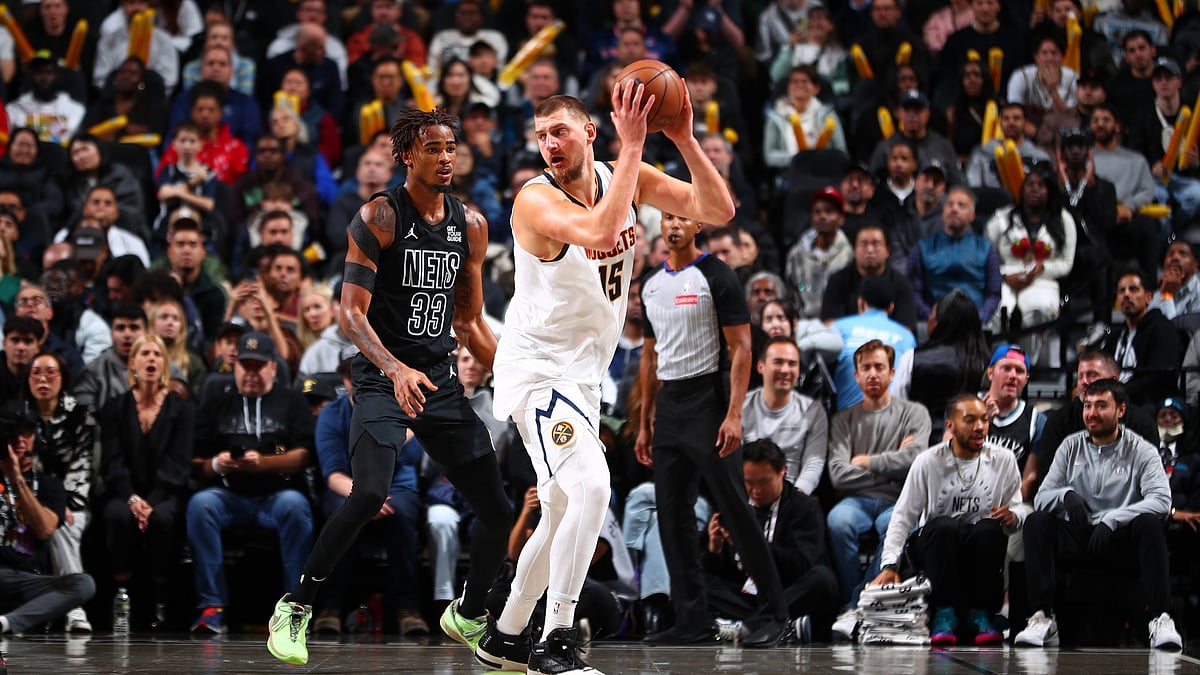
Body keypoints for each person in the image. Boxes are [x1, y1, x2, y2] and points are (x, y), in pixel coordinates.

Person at [477, 80, 736, 672]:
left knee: (567, 506)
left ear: (589, 132)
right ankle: (559, 637)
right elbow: (599, 230)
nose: (550, 144)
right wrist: (636, 148)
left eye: (560, 131)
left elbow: (718, 210)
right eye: (541, 136)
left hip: (583, 375)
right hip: (539, 370)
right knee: (592, 489)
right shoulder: (532, 200)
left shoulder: (627, 173)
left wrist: (684, 139)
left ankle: (507, 631)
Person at [267, 108, 512, 667]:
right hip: (381, 377)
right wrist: (396, 370)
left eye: (451, 146)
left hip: (440, 379)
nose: (445, 156)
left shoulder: (471, 224)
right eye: (432, 147)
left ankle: (469, 613)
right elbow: (350, 316)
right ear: (407, 154)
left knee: (496, 510)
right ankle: (297, 604)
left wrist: (518, 378)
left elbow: (470, 324)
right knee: (371, 491)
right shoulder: (380, 214)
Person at [635, 202, 791, 650]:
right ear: (661, 226)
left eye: (683, 217)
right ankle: (692, 620)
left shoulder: (717, 275)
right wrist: (646, 420)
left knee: (736, 512)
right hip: (670, 405)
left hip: (710, 397)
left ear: (698, 225)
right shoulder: (651, 284)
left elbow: (742, 348)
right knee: (672, 516)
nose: (675, 224)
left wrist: (735, 413)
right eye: (668, 218)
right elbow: (649, 355)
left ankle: (775, 614)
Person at [1014, 380, 1182, 650]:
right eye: (1087, 406)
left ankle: (1161, 618)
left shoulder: (1142, 450)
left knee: (1150, 524)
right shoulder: (1070, 446)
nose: (1091, 413)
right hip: (1080, 534)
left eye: (1101, 406)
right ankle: (1042, 617)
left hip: (1119, 538)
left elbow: (1161, 501)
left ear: (1121, 410)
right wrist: (1066, 496)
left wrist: (1114, 519)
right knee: (1037, 522)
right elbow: (1043, 496)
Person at [188, 331, 315, 636]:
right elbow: (193, 462)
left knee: (296, 506)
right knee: (200, 505)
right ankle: (212, 607)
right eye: (245, 365)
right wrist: (216, 464)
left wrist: (265, 462)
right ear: (234, 366)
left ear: (273, 366)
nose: (251, 373)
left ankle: (295, 608)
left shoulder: (292, 400)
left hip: (277, 494)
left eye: (258, 366)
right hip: (229, 494)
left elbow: (304, 456)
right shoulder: (216, 401)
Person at [870, 394, 1022, 646]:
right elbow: (903, 515)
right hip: (937, 547)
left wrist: (1013, 516)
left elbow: (1018, 508)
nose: (980, 427)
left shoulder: (1004, 459)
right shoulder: (927, 461)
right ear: (950, 426)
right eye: (970, 420)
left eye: (984, 420)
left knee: (988, 529)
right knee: (944, 526)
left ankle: (982, 614)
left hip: (979, 548)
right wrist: (889, 565)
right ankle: (943, 613)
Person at [825, 339, 929, 629]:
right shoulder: (843, 420)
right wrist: (894, 462)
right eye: (866, 368)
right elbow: (838, 474)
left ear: (892, 373)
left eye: (879, 367)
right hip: (855, 499)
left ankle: (860, 600)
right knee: (837, 522)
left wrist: (866, 462)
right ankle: (851, 602)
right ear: (856, 375)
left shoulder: (914, 413)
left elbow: (915, 463)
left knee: (898, 526)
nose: (873, 373)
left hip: (899, 498)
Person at [705, 439, 840, 642]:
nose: (756, 491)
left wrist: (749, 543)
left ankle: (750, 626)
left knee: (823, 579)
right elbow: (724, 572)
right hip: (752, 596)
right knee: (699, 582)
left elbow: (802, 565)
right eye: (749, 482)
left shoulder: (803, 508)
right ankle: (783, 625)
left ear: (782, 471)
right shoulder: (738, 507)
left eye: (764, 482)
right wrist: (715, 547)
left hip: (790, 592)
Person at [100, 334, 193, 630]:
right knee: (116, 515)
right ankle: (122, 595)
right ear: (133, 364)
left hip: (165, 492)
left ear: (164, 364)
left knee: (165, 519)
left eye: (157, 354)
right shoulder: (115, 407)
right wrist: (133, 499)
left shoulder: (181, 408)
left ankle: (160, 597)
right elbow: (112, 462)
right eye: (145, 354)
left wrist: (150, 502)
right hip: (125, 491)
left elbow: (179, 462)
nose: (151, 359)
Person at [0, 405, 95, 639]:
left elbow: (44, 529)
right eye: (15, 434)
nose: (21, 439)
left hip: (30, 578)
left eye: (28, 433)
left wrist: (18, 481)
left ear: (37, 438)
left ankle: (5, 623)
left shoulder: (50, 486)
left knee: (83, 584)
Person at [27, 351, 95, 632]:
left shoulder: (81, 416)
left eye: (50, 372)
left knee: (60, 528)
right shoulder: (20, 416)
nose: (43, 378)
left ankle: (74, 608)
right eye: (36, 373)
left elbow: (83, 468)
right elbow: (20, 469)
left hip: (73, 504)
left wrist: (61, 504)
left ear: (63, 378)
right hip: (27, 502)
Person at [742, 336, 828, 495]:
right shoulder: (741, 407)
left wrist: (794, 500)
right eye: (778, 362)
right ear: (761, 366)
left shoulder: (814, 411)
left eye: (792, 364)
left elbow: (813, 463)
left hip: (793, 494)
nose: (785, 370)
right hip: (748, 494)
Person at [1100, 270, 1183, 406]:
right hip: (1115, 403)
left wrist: (1118, 391)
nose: (1126, 294)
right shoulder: (1117, 335)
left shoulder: (1162, 329)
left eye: (1133, 289)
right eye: (1121, 291)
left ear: (1149, 297)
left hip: (1147, 405)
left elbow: (1160, 377)